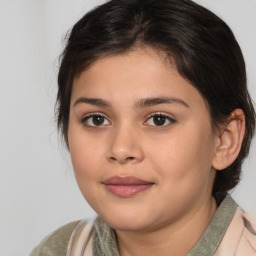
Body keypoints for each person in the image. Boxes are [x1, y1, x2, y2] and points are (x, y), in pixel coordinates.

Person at [30, 0, 256, 255]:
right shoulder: (58, 250)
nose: (121, 149)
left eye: (159, 119)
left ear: (225, 139)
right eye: (96, 119)